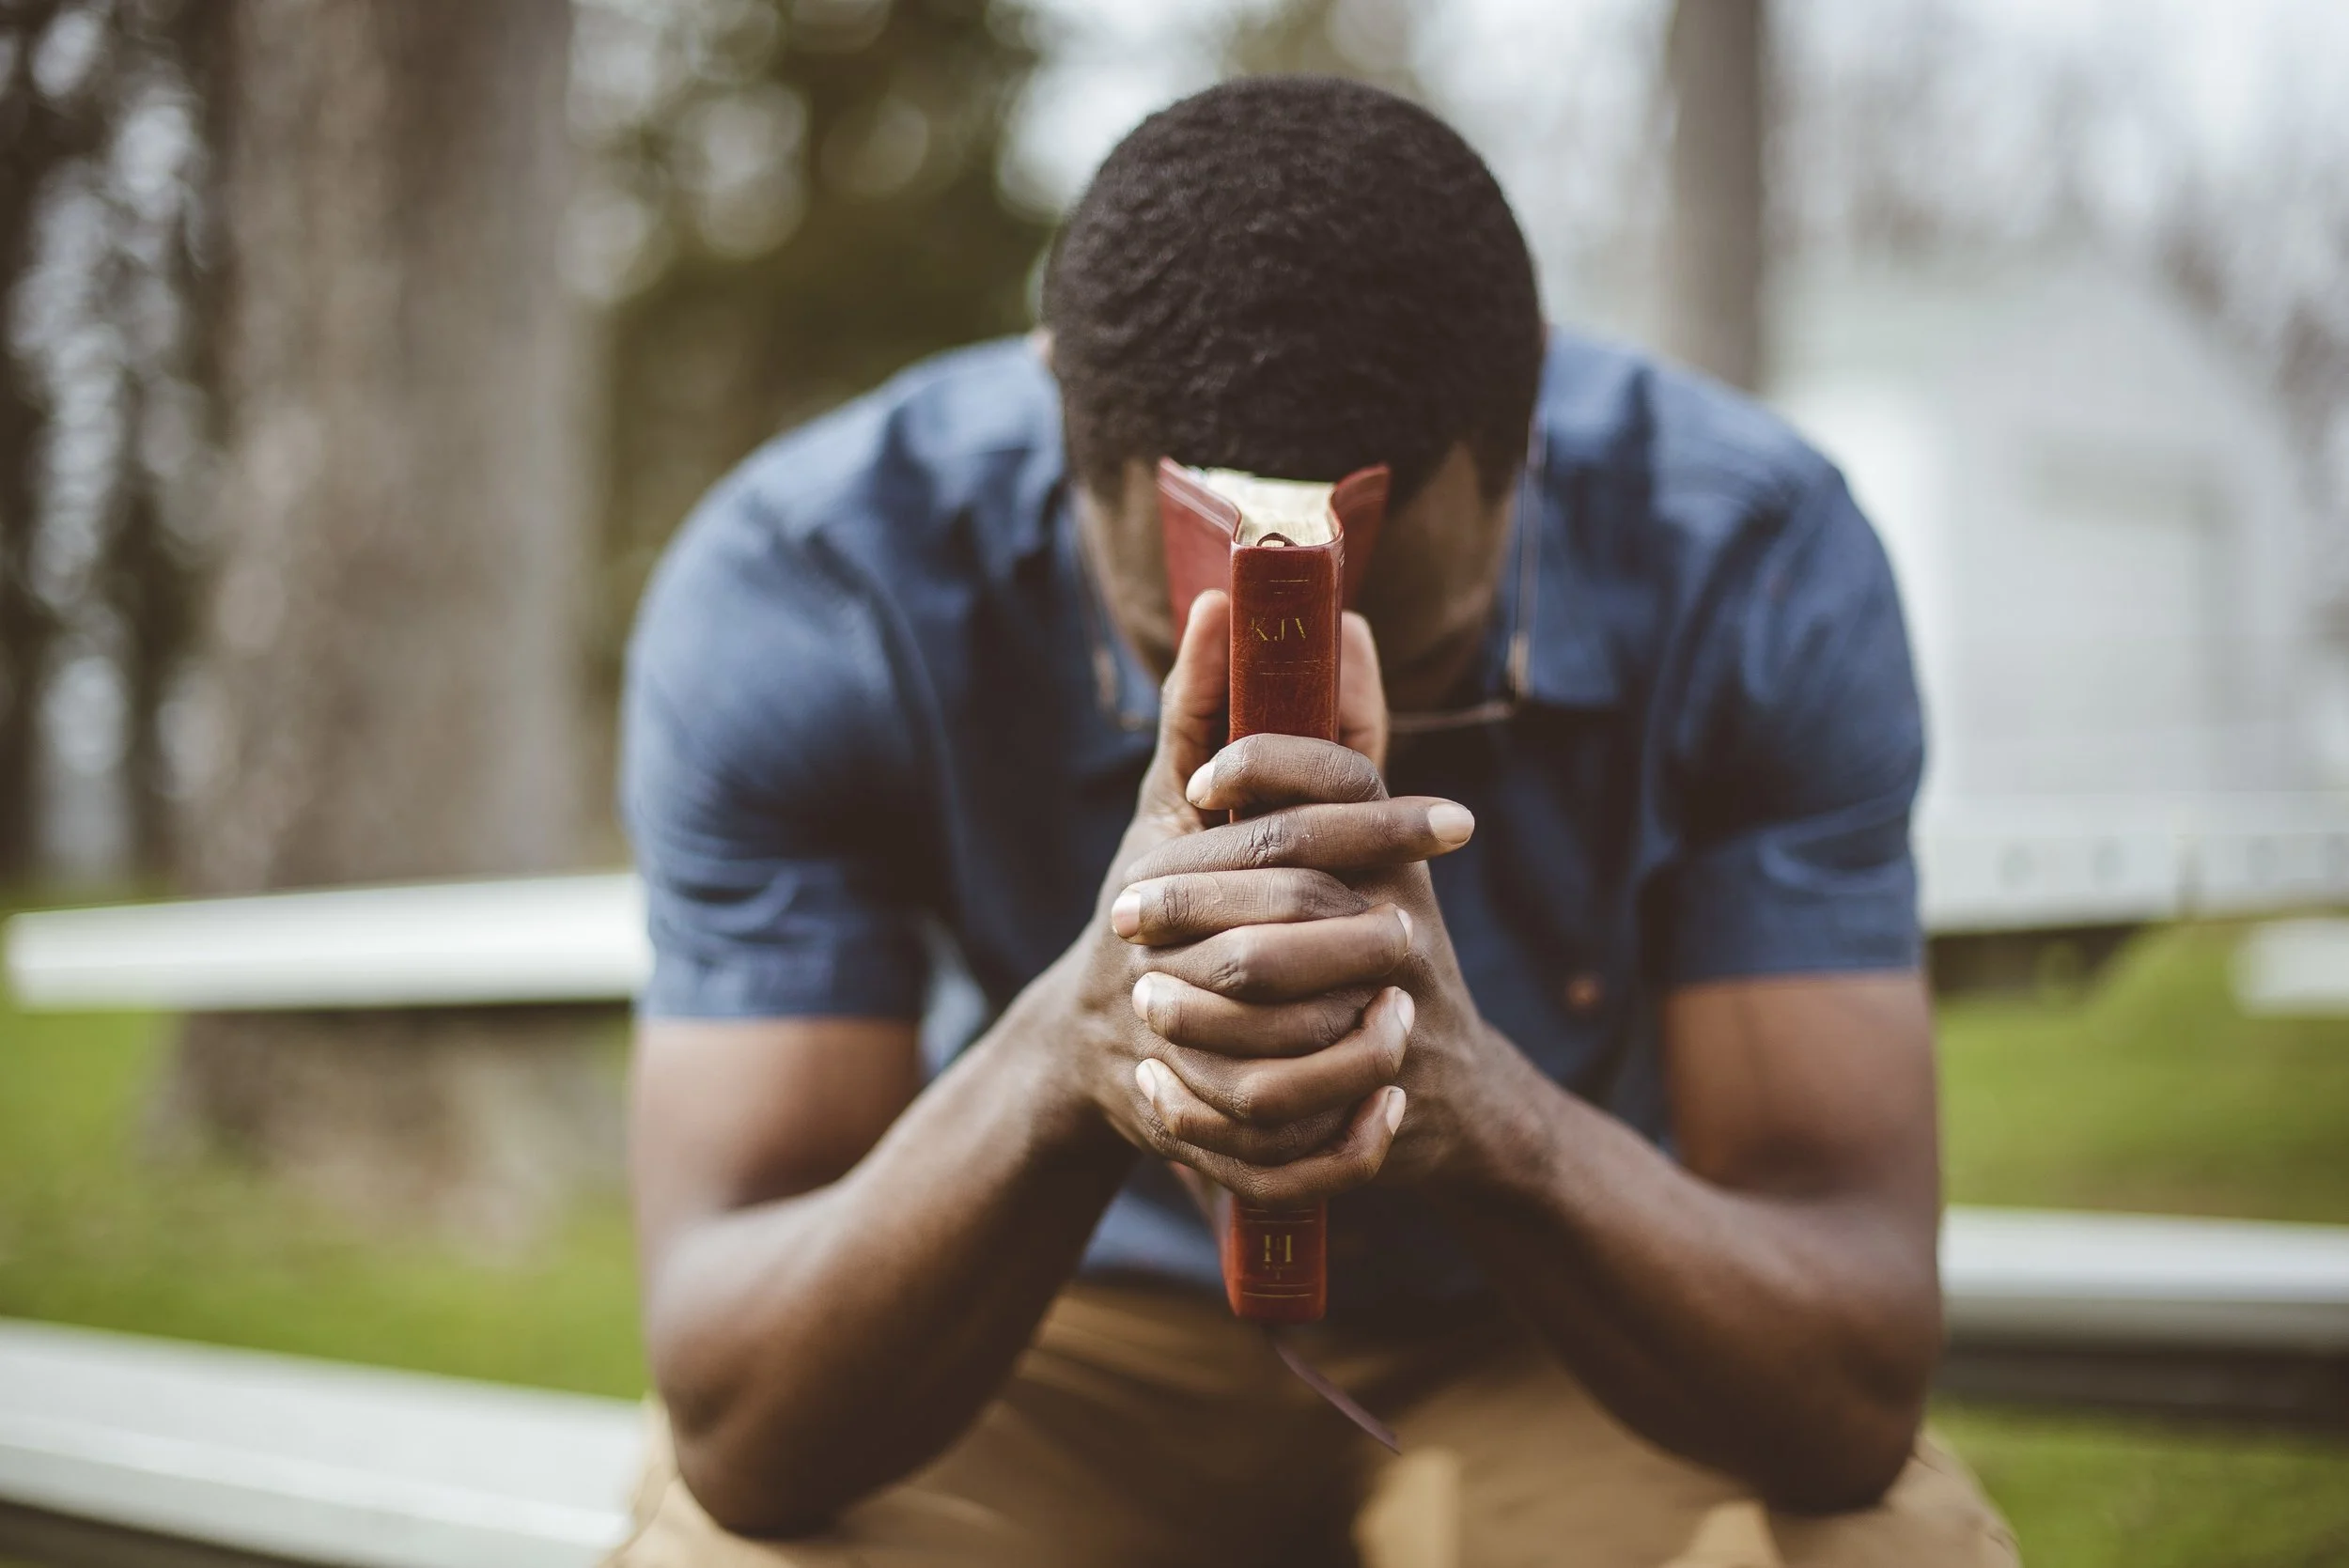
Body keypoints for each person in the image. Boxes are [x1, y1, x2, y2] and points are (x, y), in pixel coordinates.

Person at [611, 76, 2016, 1568]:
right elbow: (743, 1430)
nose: (1304, 767)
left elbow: (1849, 1391)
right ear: (1058, 399)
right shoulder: (818, 583)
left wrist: (1490, 1115)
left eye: (1409, 668)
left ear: (1526, 414)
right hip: (1060, 1324)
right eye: (1182, 671)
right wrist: (1071, 1053)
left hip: (1542, 1329)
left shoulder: (1749, 559)